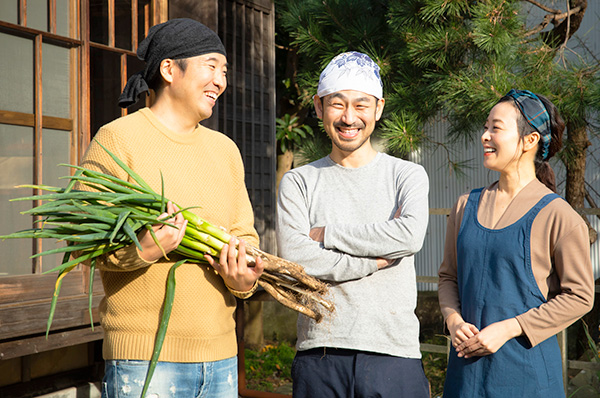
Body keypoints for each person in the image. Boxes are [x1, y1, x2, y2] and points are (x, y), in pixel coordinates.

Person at [77, 18, 263, 397]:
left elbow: (244, 234)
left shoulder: (224, 150)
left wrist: (244, 281)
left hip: (221, 358)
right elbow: (84, 240)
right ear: (169, 69)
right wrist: (144, 248)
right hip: (144, 360)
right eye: (210, 66)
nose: (220, 81)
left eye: (224, 71)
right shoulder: (118, 139)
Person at [276, 51, 431, 397]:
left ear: (378, 108)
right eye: (338, 104)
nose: (349, 117)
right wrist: (371, 261)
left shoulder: (406, 175)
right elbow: (296, 259)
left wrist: (330, 234)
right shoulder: (299, 181)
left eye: (361, 105)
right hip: (320, 353)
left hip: (394, 352)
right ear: (319, 108)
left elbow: (408, 235)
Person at [437, 89, 595, 397]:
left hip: (527, 375)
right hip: (464, 375)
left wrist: (510, 327)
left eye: (495, 127)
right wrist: (453, 320)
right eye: (485, 127)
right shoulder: (464, 206)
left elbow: (580, 296)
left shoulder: (559, 215)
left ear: (529, 140)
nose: (484, 135)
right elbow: (448, 278)